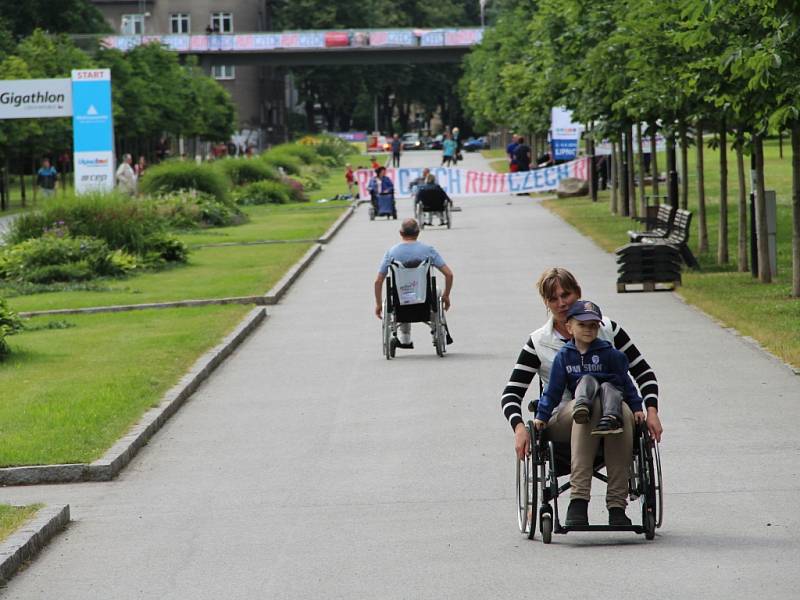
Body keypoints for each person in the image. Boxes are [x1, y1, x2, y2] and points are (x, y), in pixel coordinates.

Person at [501, 267, 663, 527]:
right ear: (546, 303)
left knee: (617, 408)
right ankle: (578, 500)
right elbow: (511, 393)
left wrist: (651, 411)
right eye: (553, 298)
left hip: (614, 414)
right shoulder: (539, 341)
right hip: (565, 416)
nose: (561, 302)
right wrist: (519, 428)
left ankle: (617, 507)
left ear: (578, 293)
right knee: (584, 406)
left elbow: (643, 372)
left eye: (566, 294)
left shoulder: (607, 329)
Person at [534, 299, 644, 439]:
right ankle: (582, 407)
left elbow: (626, 382)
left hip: (611, 399)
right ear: (570, 328)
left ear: (598, 327)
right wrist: (542, 415)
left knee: (609, 387)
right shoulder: (564, 356)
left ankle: (611, 418)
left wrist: (637, 407)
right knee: (586, 379)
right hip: (583, 398)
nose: (588, 329)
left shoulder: (610, 354)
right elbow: (553, 389)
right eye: (582, 325)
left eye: (593, 325)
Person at [374, 218, 454, 349]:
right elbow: (449, 274)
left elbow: (378, 281)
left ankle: (405, 340)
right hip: (424, 296)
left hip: (402, 298)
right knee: (436, 293)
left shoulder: (391, 253)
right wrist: (446, 295)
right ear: (418, 232)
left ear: (401, 232)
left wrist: (378, 304)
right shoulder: (428, 250)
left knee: (401, 292)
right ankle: (436, 332)